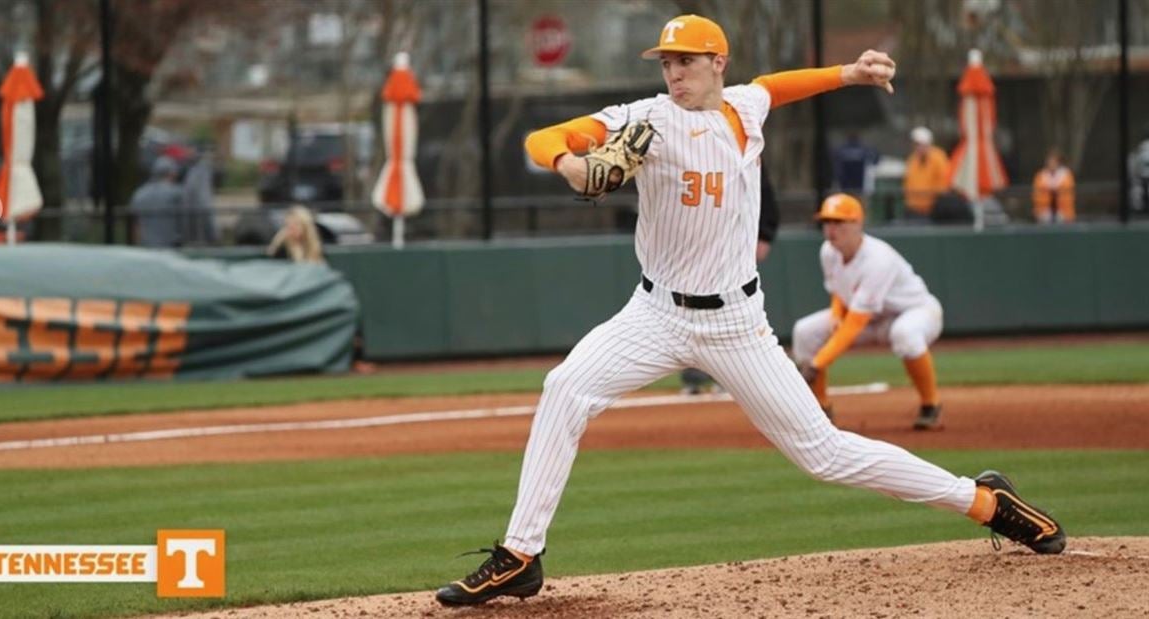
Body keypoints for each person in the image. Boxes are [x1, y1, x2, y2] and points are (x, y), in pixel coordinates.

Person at [435, 14, 1065, 608]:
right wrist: (571, 162)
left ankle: (983, 501)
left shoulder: (745, 105)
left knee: (824, 454)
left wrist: (849, 73)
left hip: (736, 324)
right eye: (666, 63)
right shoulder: (647, 119)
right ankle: (521, 554)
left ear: (718, 63)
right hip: (653, 314)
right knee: (565, 387)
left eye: (685, 62)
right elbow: (542, 137)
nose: (673, 74)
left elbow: (775, 87)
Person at [792, 193, 944, 429]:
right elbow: (838, 290)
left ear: (858, 224)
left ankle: (930, 404)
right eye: (827, 222)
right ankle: (821, 409)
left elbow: (855, 323)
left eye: (839, 222)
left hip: (913, 312)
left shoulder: (878, 259)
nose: (831, 229)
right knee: (804, 331)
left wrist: (817, 363)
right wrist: (835, 313)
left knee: (905, 333)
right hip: (869, 317)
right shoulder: (828, 252)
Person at [681, 164, 778, 395]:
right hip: (694, 245)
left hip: (734, 245)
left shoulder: (742, 145)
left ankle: (732, 373)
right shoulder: (687, 147)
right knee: (688, 307)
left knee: (731, 309)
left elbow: (765, 193)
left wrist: (765, 234)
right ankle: (694, 372)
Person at [267, 206, 376, 374]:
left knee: (350, 308)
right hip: (288, 300)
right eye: (289, 226)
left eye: (295, 225)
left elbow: (325, 276)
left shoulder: (316, 248)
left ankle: (356, 359)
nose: (291, 230)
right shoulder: (281, 248)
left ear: (305, 227)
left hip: (313, 298)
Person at [130, 156, 185, 248]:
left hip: (146, 247)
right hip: (170, 247)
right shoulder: (177, 192)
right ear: (171, 173)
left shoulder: (140, 193)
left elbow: (135, 225)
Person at [902, 126, 950, 219]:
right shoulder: (912, 159)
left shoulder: (938, 157)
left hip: (933, 209)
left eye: (920, 144)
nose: (918, 147)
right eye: (916, 144)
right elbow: (908, 182)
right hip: (913, 208)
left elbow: (943, 182)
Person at [1031, 149, 1075, 224]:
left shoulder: (1067, 175)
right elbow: (1037, 196)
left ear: (1059, 162)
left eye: (1054, 161)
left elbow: (1068, 196)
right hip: (1043, 214)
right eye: (1050, 160)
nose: (1051, 163)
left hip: (1064, 214)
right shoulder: (1040, 176)